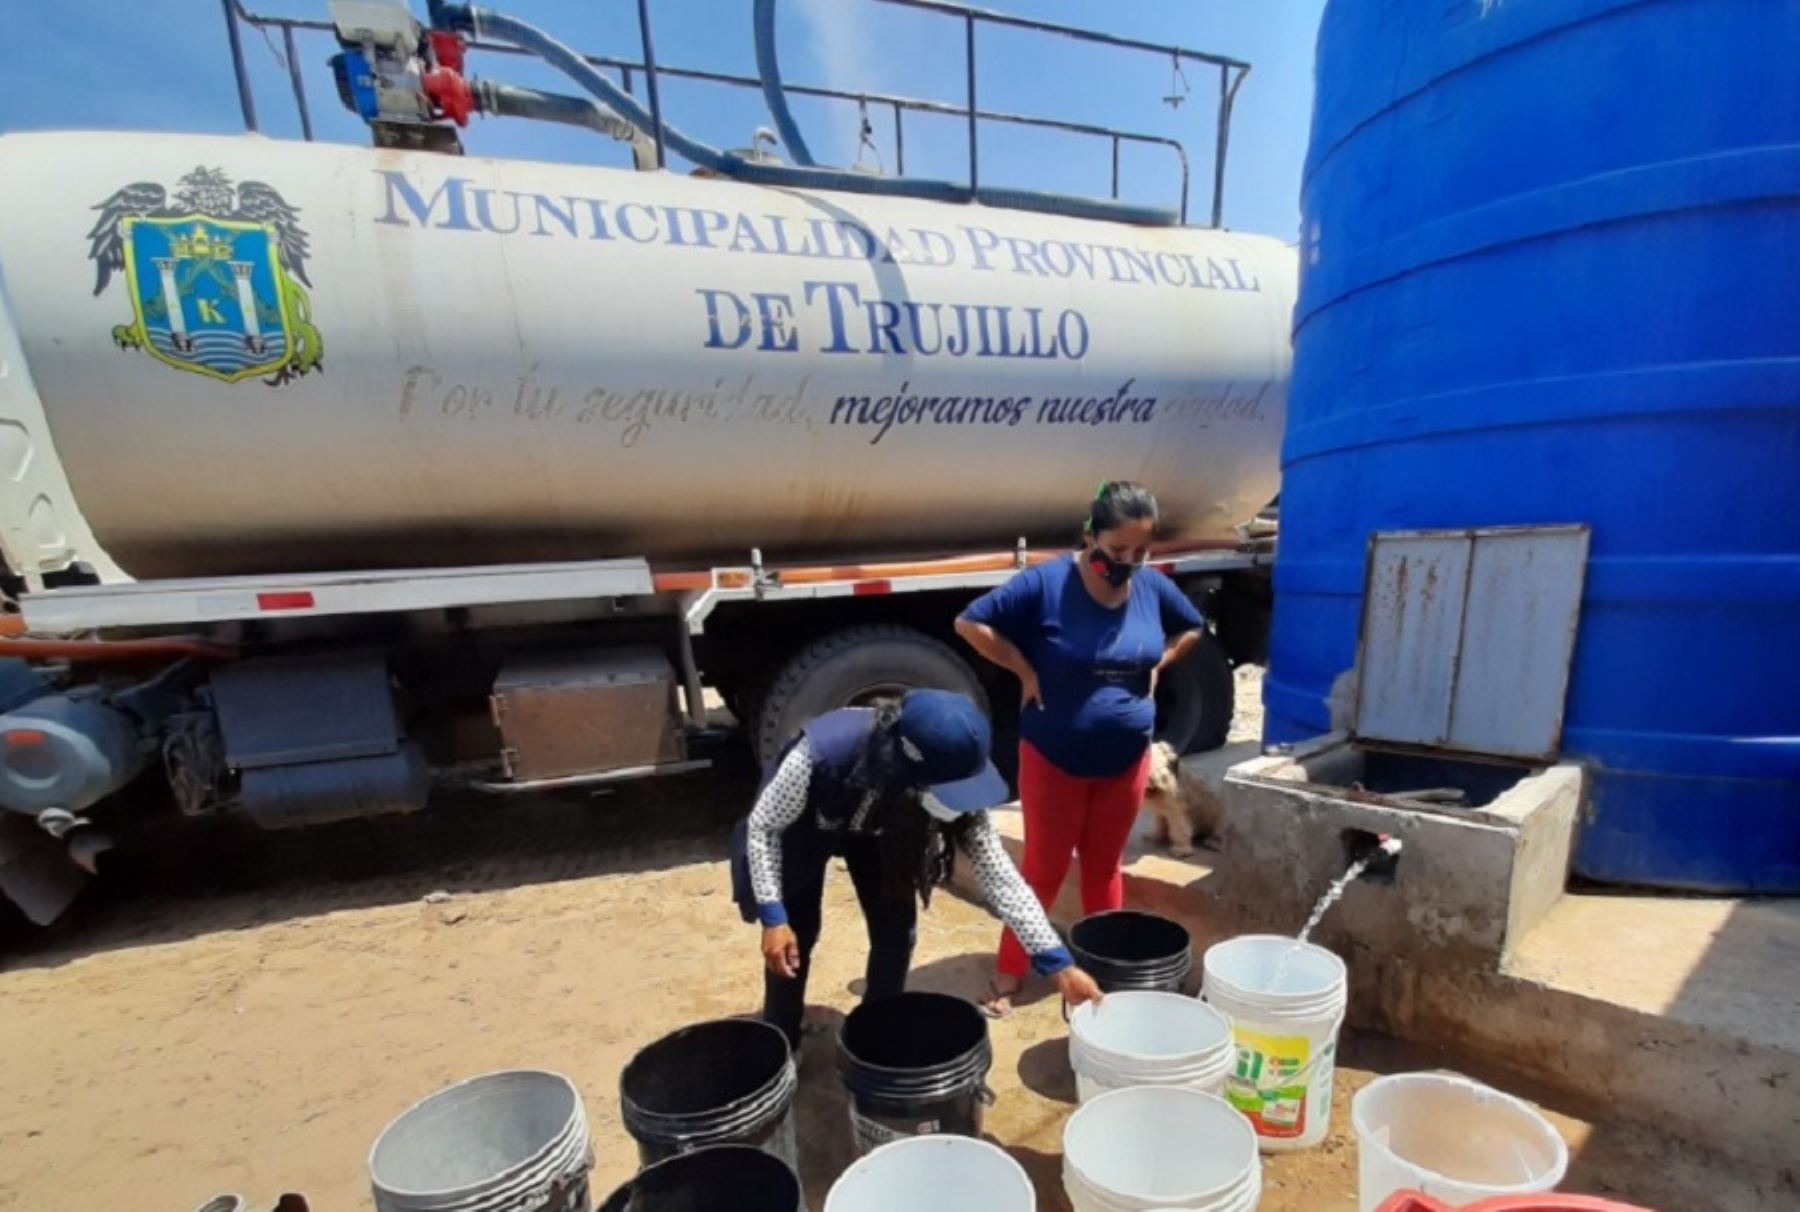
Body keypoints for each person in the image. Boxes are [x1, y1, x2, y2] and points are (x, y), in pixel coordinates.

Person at [731, 689, 1103, 1049]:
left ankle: (874, 1031)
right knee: (795, 938)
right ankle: (781, 1039)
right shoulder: (822, 754)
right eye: (948, 791)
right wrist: (773, 917)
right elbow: (765, 827)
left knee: (896, 933)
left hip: (885, 830)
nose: (958, 804)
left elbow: (1001, 878)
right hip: (807, 826)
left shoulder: (952, 773)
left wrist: (1059, 964)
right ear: (905, 765)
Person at [956, 481, 1205, 1015]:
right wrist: (1023, 669)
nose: (1129, 562)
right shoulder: (1047, 584)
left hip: (1126, 761)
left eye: (1141, 552)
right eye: (1118, 551)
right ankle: (1008, 974)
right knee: (1044, 870)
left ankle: (1104, 969)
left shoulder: (1151, 588)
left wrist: (1159, 662)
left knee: (1105, 868)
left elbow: (1193, 627)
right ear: (1090, 535)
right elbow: (970, 621)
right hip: (1054, 759)